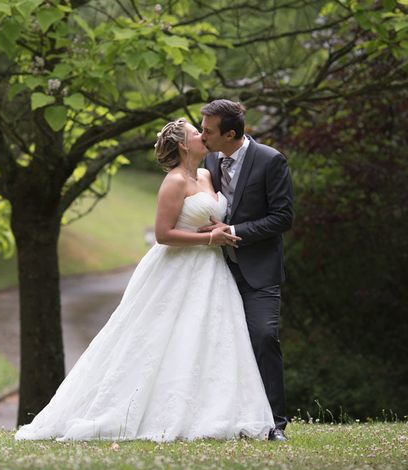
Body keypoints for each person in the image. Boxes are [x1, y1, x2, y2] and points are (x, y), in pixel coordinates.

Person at [15, 119, 275, 442]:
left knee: (210, 337)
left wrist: (219, 232)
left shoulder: (207, 174)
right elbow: (163, 235)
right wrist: (209, 239)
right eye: (197, 133)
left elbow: (215, 216)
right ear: (183, 144)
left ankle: (218, 411)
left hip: (212, 272)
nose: (203, 136)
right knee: (157, 338)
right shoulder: (174, 182)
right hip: (177, 269)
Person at [198, 99, 294, 441]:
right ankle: (225, 418)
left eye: (208, 131)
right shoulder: (208, 159)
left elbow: (283, 217)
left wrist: (235, 233)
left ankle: (275, 424)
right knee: (218, 344)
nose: (202, 135)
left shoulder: (271, 160)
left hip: (260, 273)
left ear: (231, 133)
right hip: (217, 271)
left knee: (265, 337)